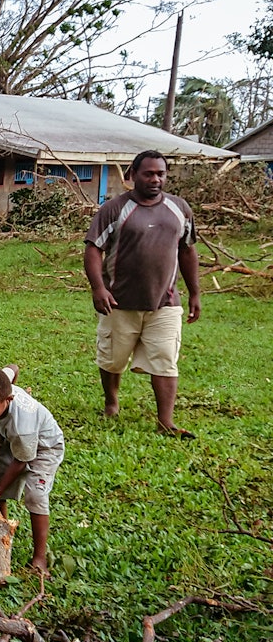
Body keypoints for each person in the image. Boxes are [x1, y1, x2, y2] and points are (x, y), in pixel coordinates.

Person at [84, 150, 201, 438]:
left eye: (160, 173)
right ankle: (111, 403)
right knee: (112, 359)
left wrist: (196, 292)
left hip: (165, 301)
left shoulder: (179, 209)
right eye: (148, 173)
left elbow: (187, 251)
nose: (155, 179)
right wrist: (99, 288)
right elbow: (93, 249)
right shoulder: (114, 209)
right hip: (119, 302)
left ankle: (166, 421)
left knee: (165, 359)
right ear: (132, 175)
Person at [0, 364, 64, 576]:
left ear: (7, 400)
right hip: (13, 442)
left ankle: (39, 557)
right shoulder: (1, 382)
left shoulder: (23, 429)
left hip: (44, 448)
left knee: (35, 495)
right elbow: (13, 368)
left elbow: (20, 463)